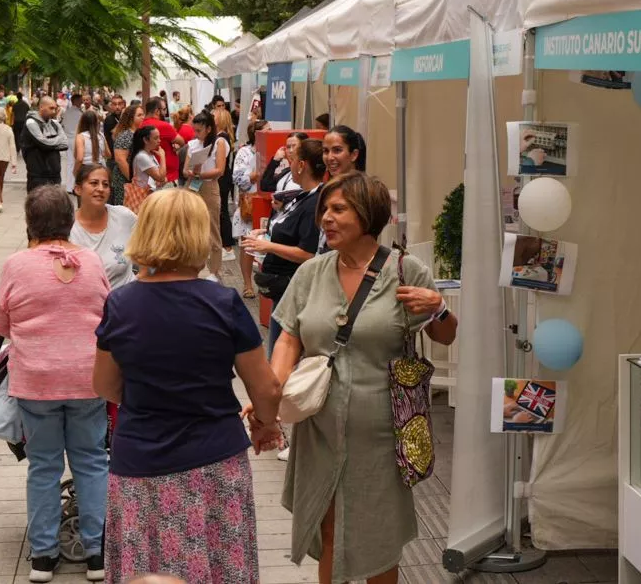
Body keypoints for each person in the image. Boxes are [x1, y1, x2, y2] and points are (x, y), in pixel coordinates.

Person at [266, 172, 458, 584]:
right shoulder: (312, 273)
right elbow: (288, 338)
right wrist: (270, 392)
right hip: (319, 429)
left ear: (367, 214)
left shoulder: (407, 270)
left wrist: (439, 308)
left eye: (338, 210)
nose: (325, 220)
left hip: (382, 434)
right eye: (325, 211)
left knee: (377, 538)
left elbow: (445, 334)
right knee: (328, 526)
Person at [92, 189, 282, 582]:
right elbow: (266, 388)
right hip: (214, 460)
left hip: (140, 462)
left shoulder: (120, 304)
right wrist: (266, 424)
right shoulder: (223, 302)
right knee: (219, 569)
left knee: (146, 571)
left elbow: (105, 385)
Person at [0, 186, 112, 583]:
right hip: (87, 379)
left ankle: (43, 557)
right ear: (70, 220)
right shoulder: (92, 262)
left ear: (31, 223)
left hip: (36, 381)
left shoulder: (16, 265)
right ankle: (96, 555)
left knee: (42, 466)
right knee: (92, 462)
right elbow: (108, 314)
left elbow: (1, 324)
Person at [243, 138, 325, 354]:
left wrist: (268, 247)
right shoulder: (302, 196)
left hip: (292, 288)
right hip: (284, 289)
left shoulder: (313, 203)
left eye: (294, 157)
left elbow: (307, 253)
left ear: (302, 165)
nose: (289, 160)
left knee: (282, 350)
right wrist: (266, 234)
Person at [72, 164, 138, 289]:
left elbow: (152, 240)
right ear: (78, 189)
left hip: (126, 301)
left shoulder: (123, 216)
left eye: (106, 184)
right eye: (94, 183)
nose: (101, 189)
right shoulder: (66, 227)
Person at [183, 111, 231, 281]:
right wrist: (193, 172)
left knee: (212, 227)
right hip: (193, 186)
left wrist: (200, 175)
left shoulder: (219, 143)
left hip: (209, 185)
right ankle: (193, 267)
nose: (196, 134)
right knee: (191, 227)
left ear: (209, 129)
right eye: (194, 130)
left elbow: (220, 169)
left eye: (199, 130)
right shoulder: (192, 144)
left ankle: (215, 271)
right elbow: (185, 169)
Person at [232, 120, 269, 296]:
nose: (271, 132)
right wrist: (256, 175)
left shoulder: (275, 150)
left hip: (269, 201)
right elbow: (238, 179)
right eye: (267, 130)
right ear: (257, 134)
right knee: (247, 244)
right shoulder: (244, 152)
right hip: (250, 203)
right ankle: (247, 284)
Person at [23, 96, 70, 192]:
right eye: (51, 108)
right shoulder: (31, 122)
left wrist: (49, 142)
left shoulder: (55, 124)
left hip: (55, 174)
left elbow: (65, 144)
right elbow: (43, 143)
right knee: (37, 204)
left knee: (55, 204)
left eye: (55, 108)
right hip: (38, 175)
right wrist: (57, 140)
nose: (54, 111)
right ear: (41, 107)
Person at [212, 109, 238, 255]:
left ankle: (227, 244)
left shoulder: (221, 138)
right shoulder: (221, 137)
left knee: (221, 211)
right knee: (221, 210)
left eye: (214, 116)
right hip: (223, 178)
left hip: (221, 179)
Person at [111, 104, 146, 207]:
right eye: (139, 115)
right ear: (131, 118)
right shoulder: (126, 135)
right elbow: (120, 160)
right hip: (124, 181)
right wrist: (132, 179)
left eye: (143, 114)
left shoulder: (136, 133)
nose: (142, 117)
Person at [126, 126, 167, 213]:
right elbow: (160, 177)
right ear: (145, 140)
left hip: (151, 196)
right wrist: (163, 156)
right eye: (156, 138)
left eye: (159, 137)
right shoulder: (142, 156)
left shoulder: (149, 154)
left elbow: (161, 177)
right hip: (145, 197)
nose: (159, 140)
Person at [143, 97, 184, 184]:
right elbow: (181, 141)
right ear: (157, 111)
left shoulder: (140, 125)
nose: (165, 113)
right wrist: (176, 145)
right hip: (167, 177)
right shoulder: (163, 126)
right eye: (164, 109)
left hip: (149, 175)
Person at [74, 109, 109, 181]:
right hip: (99, 167)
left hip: (86, 169)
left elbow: (80, 158)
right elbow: (108, 154)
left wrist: (75, 171)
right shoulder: (101, 135)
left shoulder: (81, 136)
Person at [62, 94, 85, 188]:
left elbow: (63, 124)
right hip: (76, 139)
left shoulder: (67, 112)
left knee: (70, 162)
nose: (82, 102)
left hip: (68, 139)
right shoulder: (80, 114)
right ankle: (74, 185)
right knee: (77, 162)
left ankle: (69, 186)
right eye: (80, 100)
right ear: (75, 101)